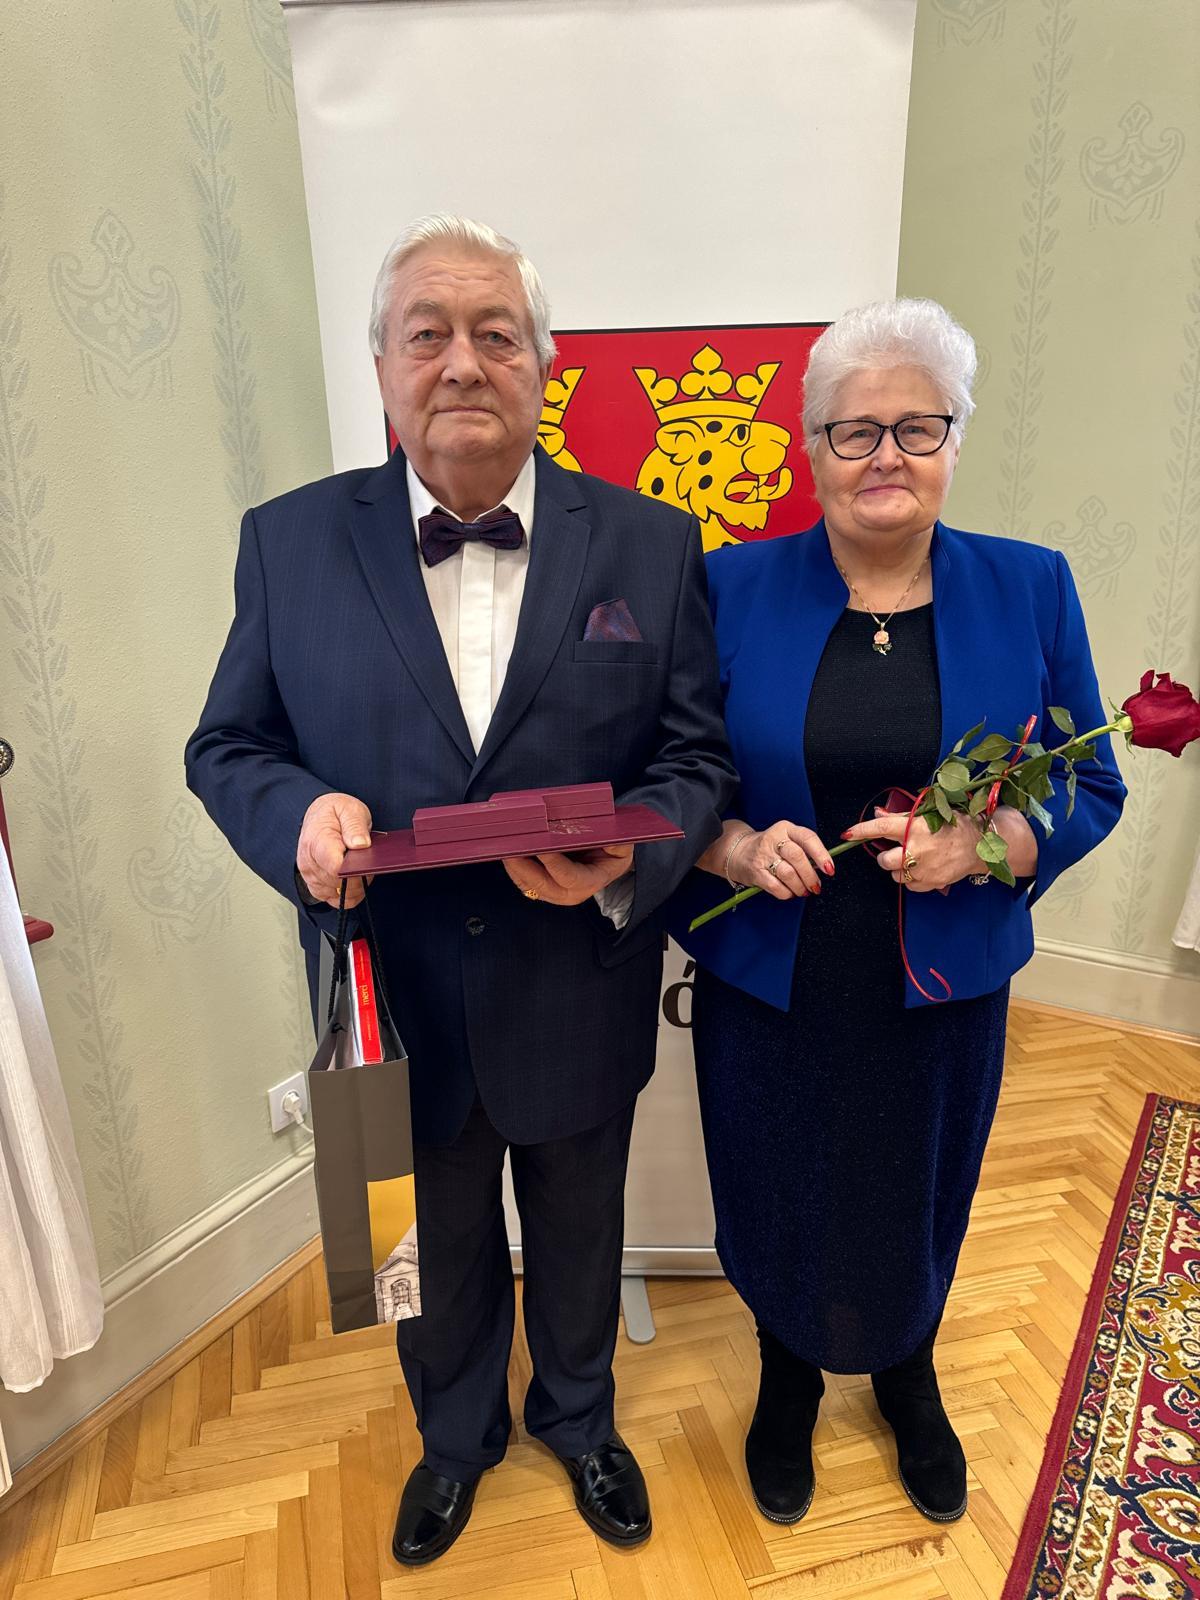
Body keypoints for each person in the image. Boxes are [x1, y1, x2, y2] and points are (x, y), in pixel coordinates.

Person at [186, 214, 735, 1565]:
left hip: (579, 979)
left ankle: (581, 1418)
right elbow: (229, 746)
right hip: (395, 997)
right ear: (381, 363)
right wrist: (298, 815)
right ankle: (454, 1440)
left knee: (579, 1225)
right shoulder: (286, 543)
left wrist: (635, 858)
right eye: (426, 332)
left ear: (544, 363)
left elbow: (694, 759)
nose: (463, 362)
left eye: (497, 333)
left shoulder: (653, 545)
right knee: (423, 1247)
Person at [669, 298, 1124, 1527]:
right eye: (854, 430)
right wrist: (730, 843)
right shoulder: (727, 585)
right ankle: (784, 1375)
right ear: (810, 446)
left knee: (919, 1178)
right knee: (775, 1176)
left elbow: (1091, 779)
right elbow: (668, 771)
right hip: (775, 971)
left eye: (918, 427)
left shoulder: (1030, 586)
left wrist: (988, 842)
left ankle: (908, 1372)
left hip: (943, 979)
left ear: (955, 440)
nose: (886, 455)